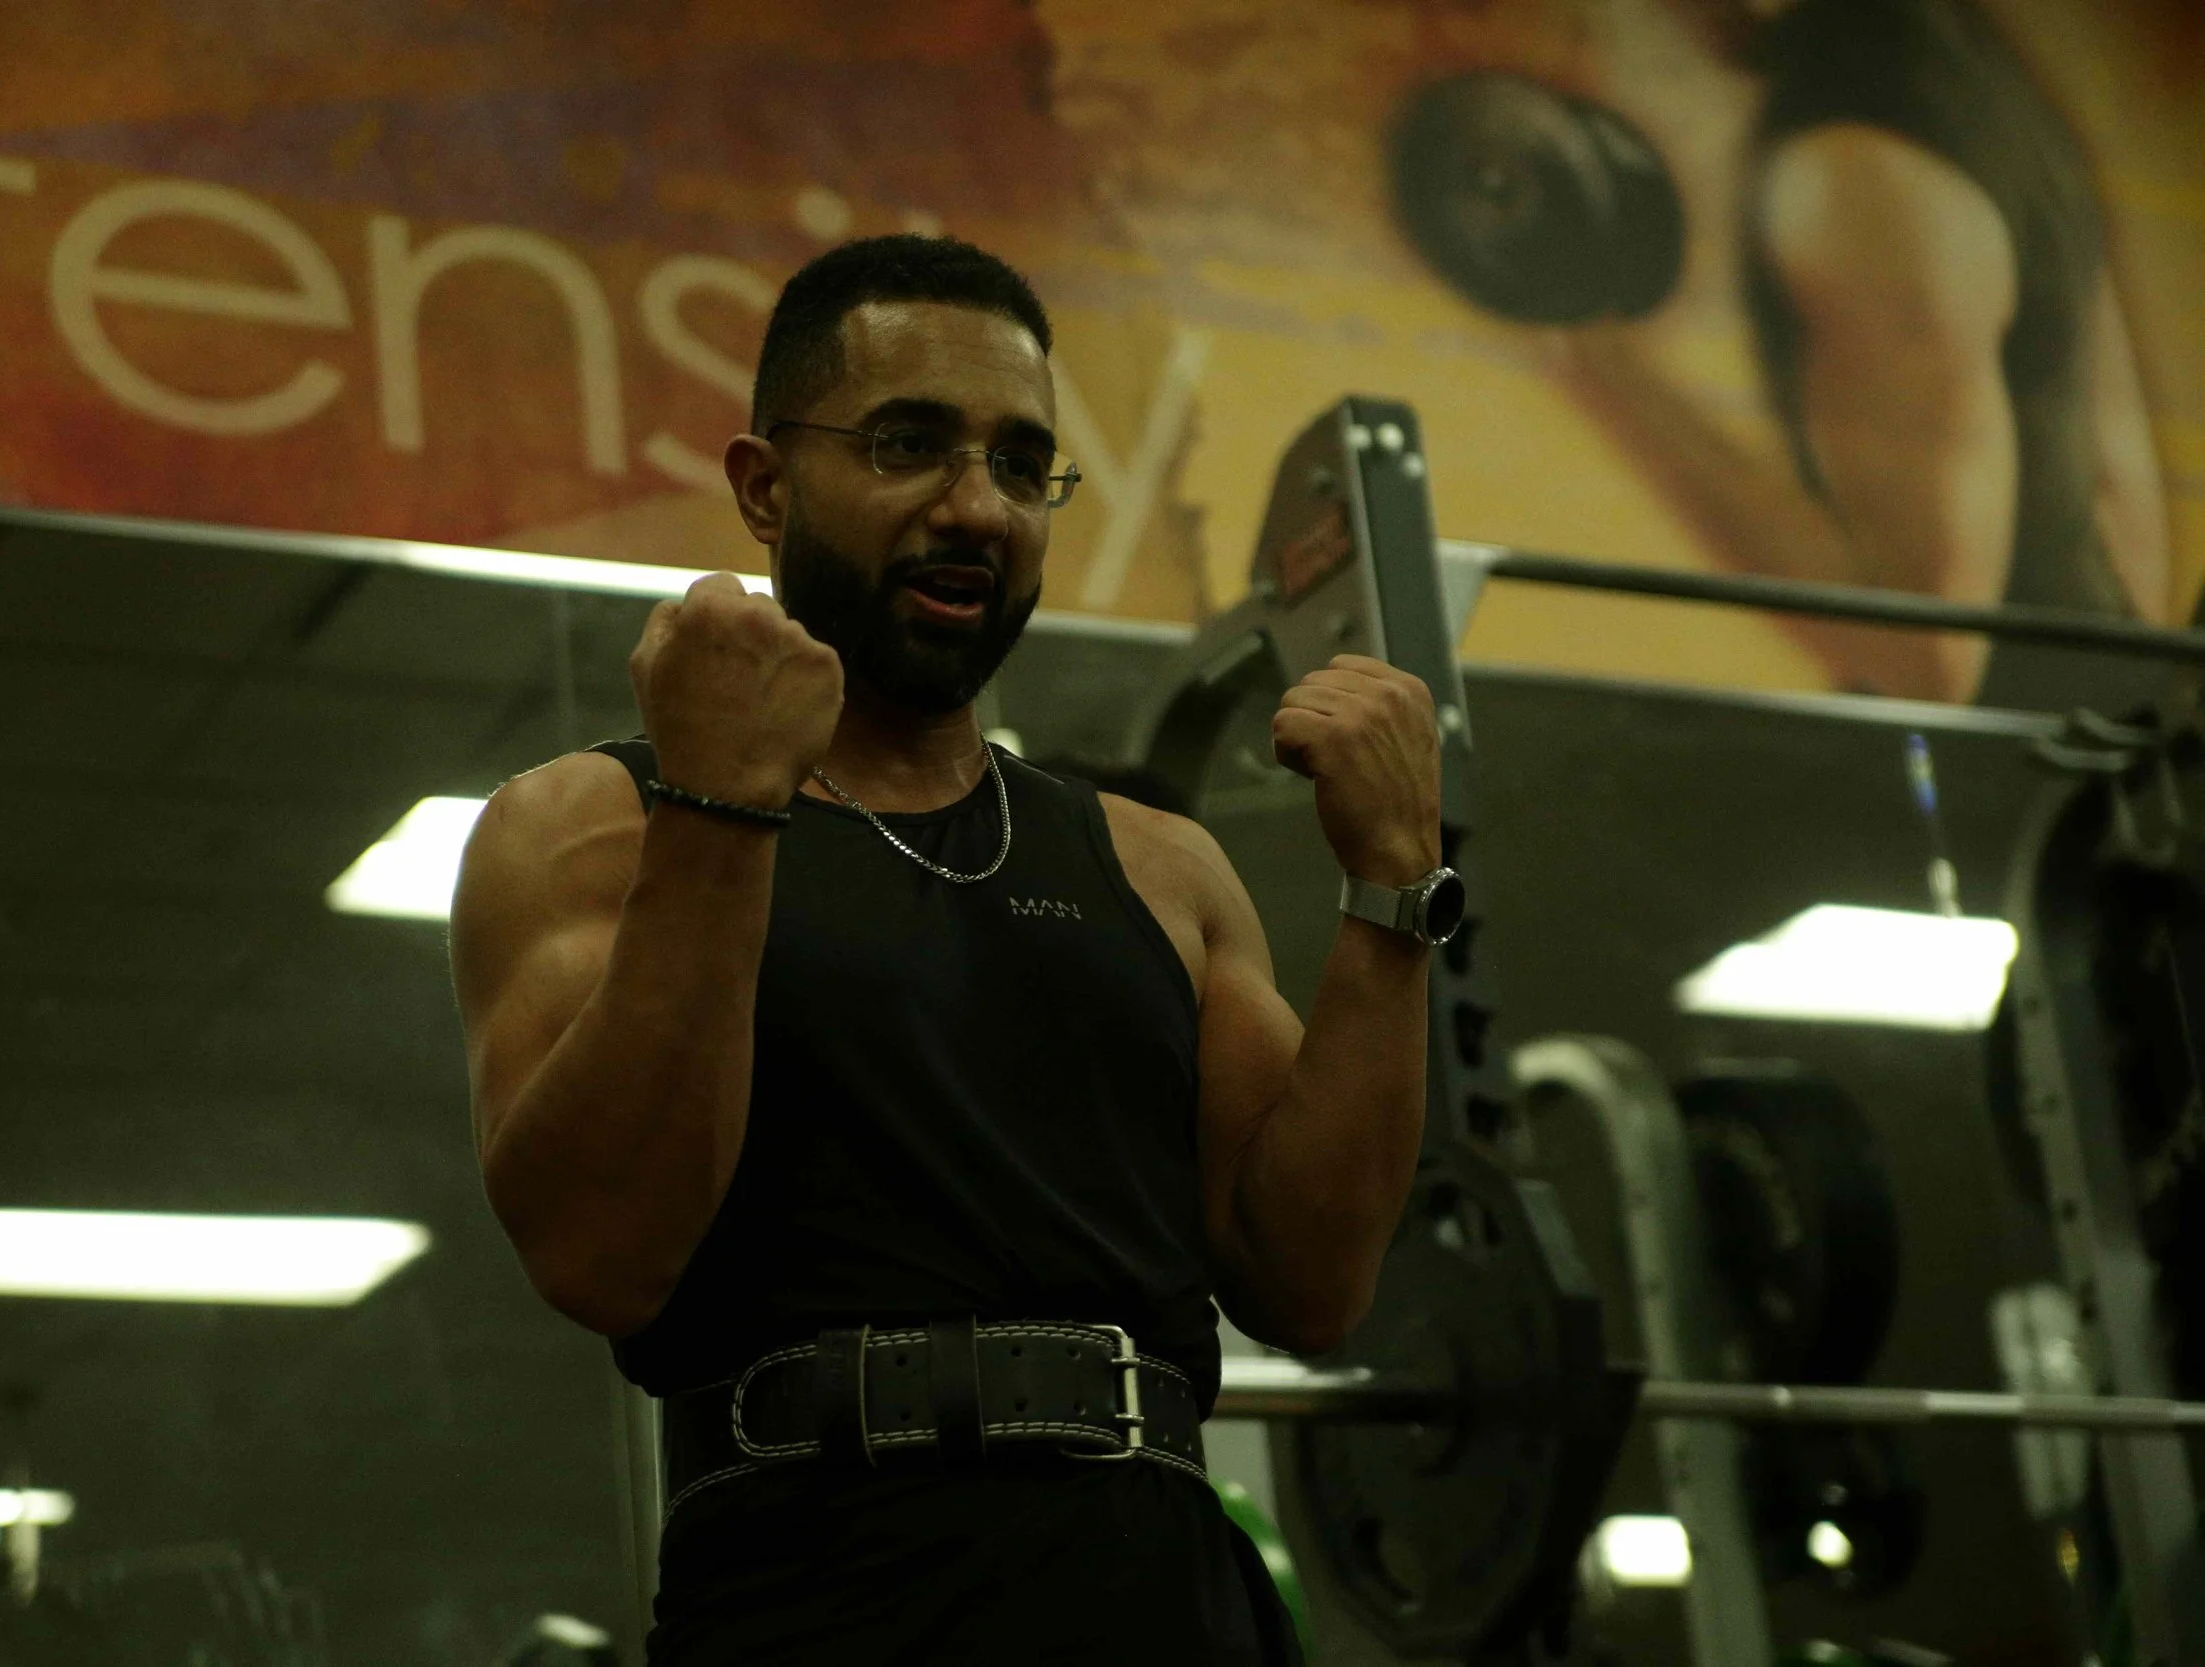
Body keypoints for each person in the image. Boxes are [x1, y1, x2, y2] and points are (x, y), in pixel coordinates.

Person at [447, 235, 1449, 1663]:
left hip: (1164, 1600)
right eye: (907, 442)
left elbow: (1315, 1283)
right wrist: (722, 805)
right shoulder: (585, 826)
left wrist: (1395, 883)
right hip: (815, 1594)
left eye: (1021, 463)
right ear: (765, 486)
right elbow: (601, 1253)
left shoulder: (1161, 867)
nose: (975, 505)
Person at [1555, 0, 2173, 708]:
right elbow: (2125, 527)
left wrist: (1596, 366)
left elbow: (1925, 656)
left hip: (1996, 758)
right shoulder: (1973, 80)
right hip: (2092, 736)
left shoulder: (1859, 175)